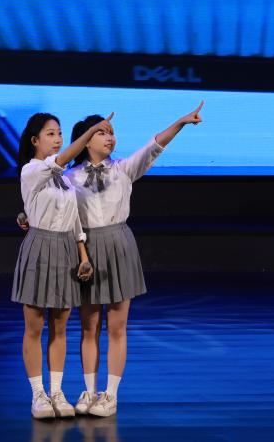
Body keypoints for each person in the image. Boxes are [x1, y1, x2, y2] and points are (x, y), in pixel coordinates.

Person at [68, 103, 203, 417]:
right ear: (85, 140)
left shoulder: (123, 169)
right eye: (102, 133)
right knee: (89, 326)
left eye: (112, 133)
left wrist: (180, 122)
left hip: (119, 246)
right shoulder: (71, 178)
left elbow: (154, 146)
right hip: (87, 249)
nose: (110, 138)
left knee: (117, 327)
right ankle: (89, 390)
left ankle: (110, 395)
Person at [13, 112, 112, 419]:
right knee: (34, 326)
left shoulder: (65, 180)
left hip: (66, 250)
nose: (57, 139)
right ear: (35, 140)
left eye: (59, 133)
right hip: (40, 246)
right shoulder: (32, 170)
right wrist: (90, 133)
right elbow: (60, 161)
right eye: (50, 134)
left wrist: (83, 256)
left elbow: (74, 221)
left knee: (60, 326)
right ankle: (38, 394)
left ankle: (56, 392)